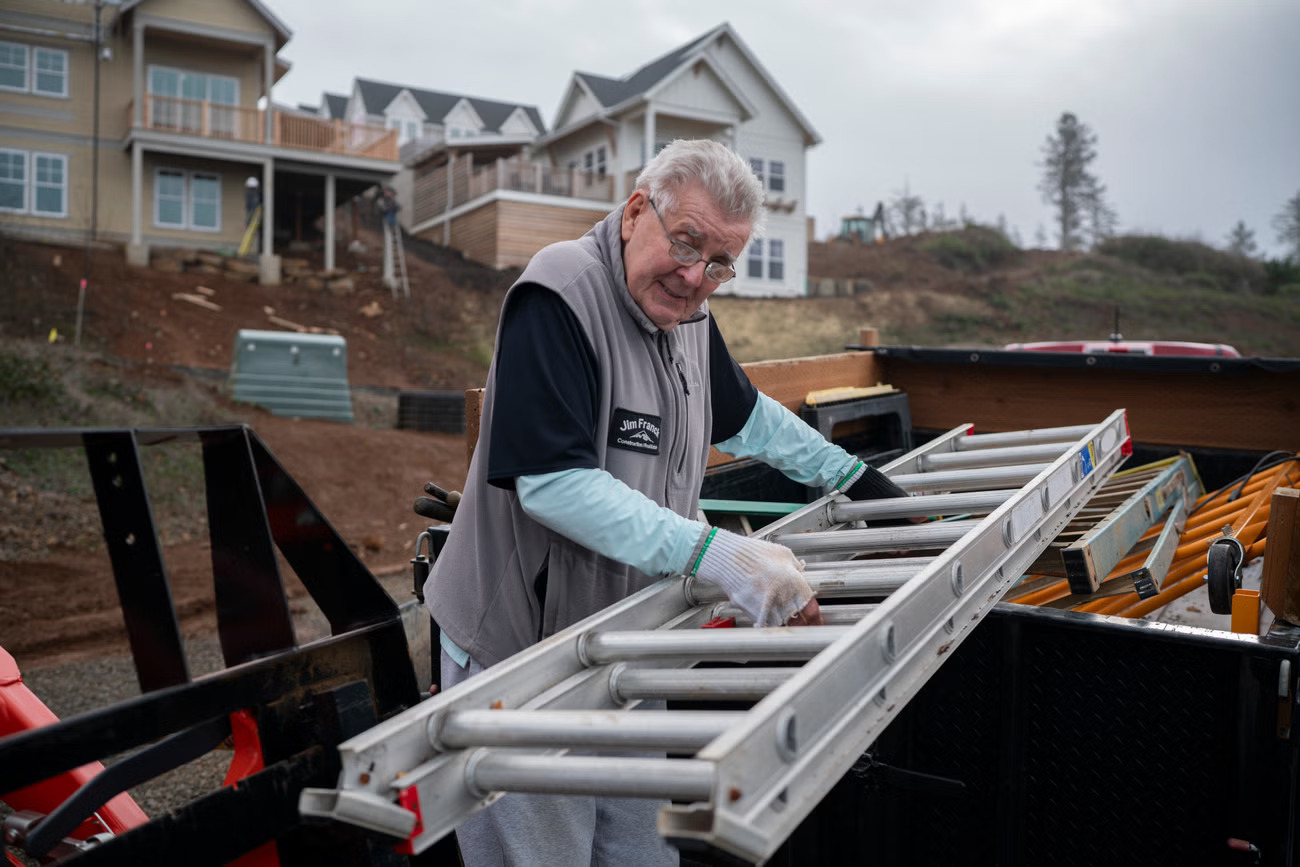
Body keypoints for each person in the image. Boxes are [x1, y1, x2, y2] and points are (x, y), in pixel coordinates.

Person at [423, 138, 908, 867]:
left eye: (719, 263)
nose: (693, 276)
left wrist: (853, 478)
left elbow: (745, 416)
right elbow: (554, 484)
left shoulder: (688, 311)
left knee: (640, 854)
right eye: (685, 243)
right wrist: (722, 555)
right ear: (635, 211)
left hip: (626, 643)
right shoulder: (557, 293)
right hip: (523, 661)